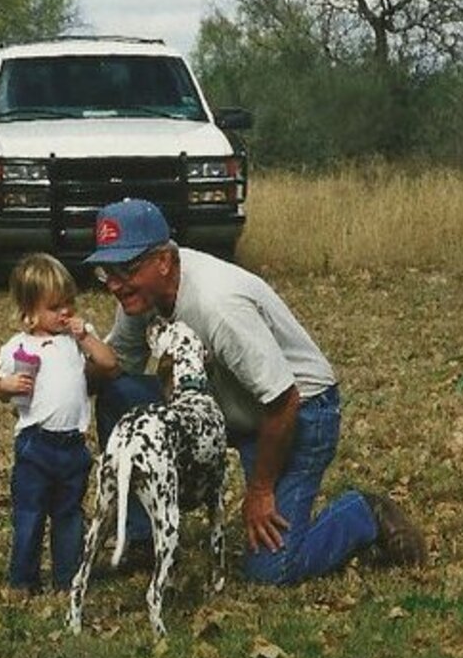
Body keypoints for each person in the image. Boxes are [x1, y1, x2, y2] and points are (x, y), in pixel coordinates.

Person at [85, 199, 426, 585]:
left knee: (271, 571)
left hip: (299, 416)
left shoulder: (218, 306)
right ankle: (144, 540)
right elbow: (118, 367)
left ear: (163, 261)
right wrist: (61, 366)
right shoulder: (142, 295)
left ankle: (365, 513)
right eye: (106, 271)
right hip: (224, 407)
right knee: (120, 395)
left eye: (126, 269)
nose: (114, 284)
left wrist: (260, 490)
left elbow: (284, 400)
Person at [0, 252, 118, 594]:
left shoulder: (74, 342)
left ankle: (68, 578)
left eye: (69, 304)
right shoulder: (17, 347)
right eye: (54, 307)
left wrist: (86, 337)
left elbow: (108, 363)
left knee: (69, 515)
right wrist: (7, 386)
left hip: (72, 445)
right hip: (36, 444)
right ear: (30, 313)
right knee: (29, 515)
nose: (65, 312)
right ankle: (23, 579)